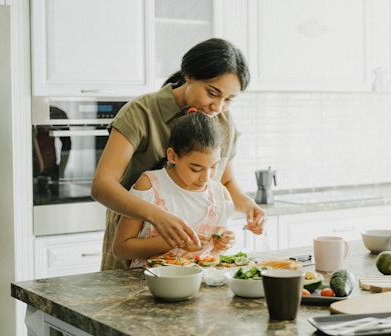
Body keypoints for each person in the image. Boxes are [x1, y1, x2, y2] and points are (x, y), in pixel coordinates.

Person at [91, 38, 266, 270]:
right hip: (135, 249)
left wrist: (249, 206)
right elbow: (102, 185)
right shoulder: (141, 112)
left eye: (229, 100)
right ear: (189, 76)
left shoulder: (223, 120)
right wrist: (156, 216)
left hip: (193, 263)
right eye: (212, 93)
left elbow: (225, 181)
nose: (218, 107)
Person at [113, 112, 235, 268]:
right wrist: (174, 242)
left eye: (213, 167)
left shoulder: (219, 194)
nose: (206, 178)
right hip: (149, 284)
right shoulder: (150, 185)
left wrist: (224, 243)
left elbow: (214, 253)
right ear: (172, 156)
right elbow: (121, 249)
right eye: (196, 169)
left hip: (199, 284)